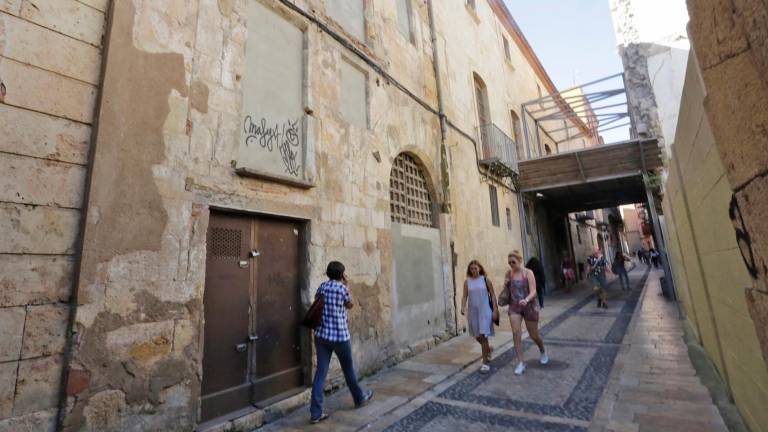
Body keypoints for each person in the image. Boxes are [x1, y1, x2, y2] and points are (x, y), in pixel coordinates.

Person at [309, 261, 373, 424]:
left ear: (328, 273)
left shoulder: (322, 286)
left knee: (320, 373)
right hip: (339, 337)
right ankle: (359, 398)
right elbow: (350, 305)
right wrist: (347, 284)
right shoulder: (342, 289)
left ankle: (316, 413)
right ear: (341, 275)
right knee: (348, 370)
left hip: (322, 336)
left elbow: (317, 301)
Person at [505, 250, 547, 376]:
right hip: (514, 307)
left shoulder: (528, 273)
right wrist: (506, 284)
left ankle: (542, 349)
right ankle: (520, 363)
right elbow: (507, 290)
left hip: (529, 306)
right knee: (516, 333)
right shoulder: (509, 273)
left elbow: (534, 290)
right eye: (509, 262)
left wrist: (527, 299)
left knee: (534, 335)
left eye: (513, 262)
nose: (511, 264)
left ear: (520, 260)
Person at [461, 260, 499, 373]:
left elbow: (492, 294)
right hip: (473, 312)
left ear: (480, 268)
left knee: (483, 335)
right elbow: (464, 296)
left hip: (485, 311)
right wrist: (462, 307)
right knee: (477, 335)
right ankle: (488, 349)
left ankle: (485, 362)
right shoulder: (467, 282)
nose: (473, 270)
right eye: (471, 268)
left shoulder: (485, 280)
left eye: (475, 268)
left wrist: (495, 310)